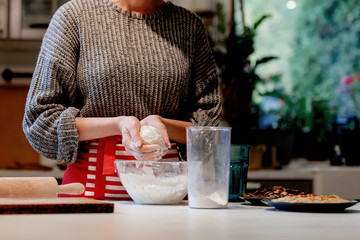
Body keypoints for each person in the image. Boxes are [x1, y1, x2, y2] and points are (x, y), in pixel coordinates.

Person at [23, 0, 222, 200]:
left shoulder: (189, 25)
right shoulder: (75, 16)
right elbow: (41, 121)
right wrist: (119, 125)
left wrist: (162, 126)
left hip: (171, 196)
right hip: (89, 197)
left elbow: (208, 128)